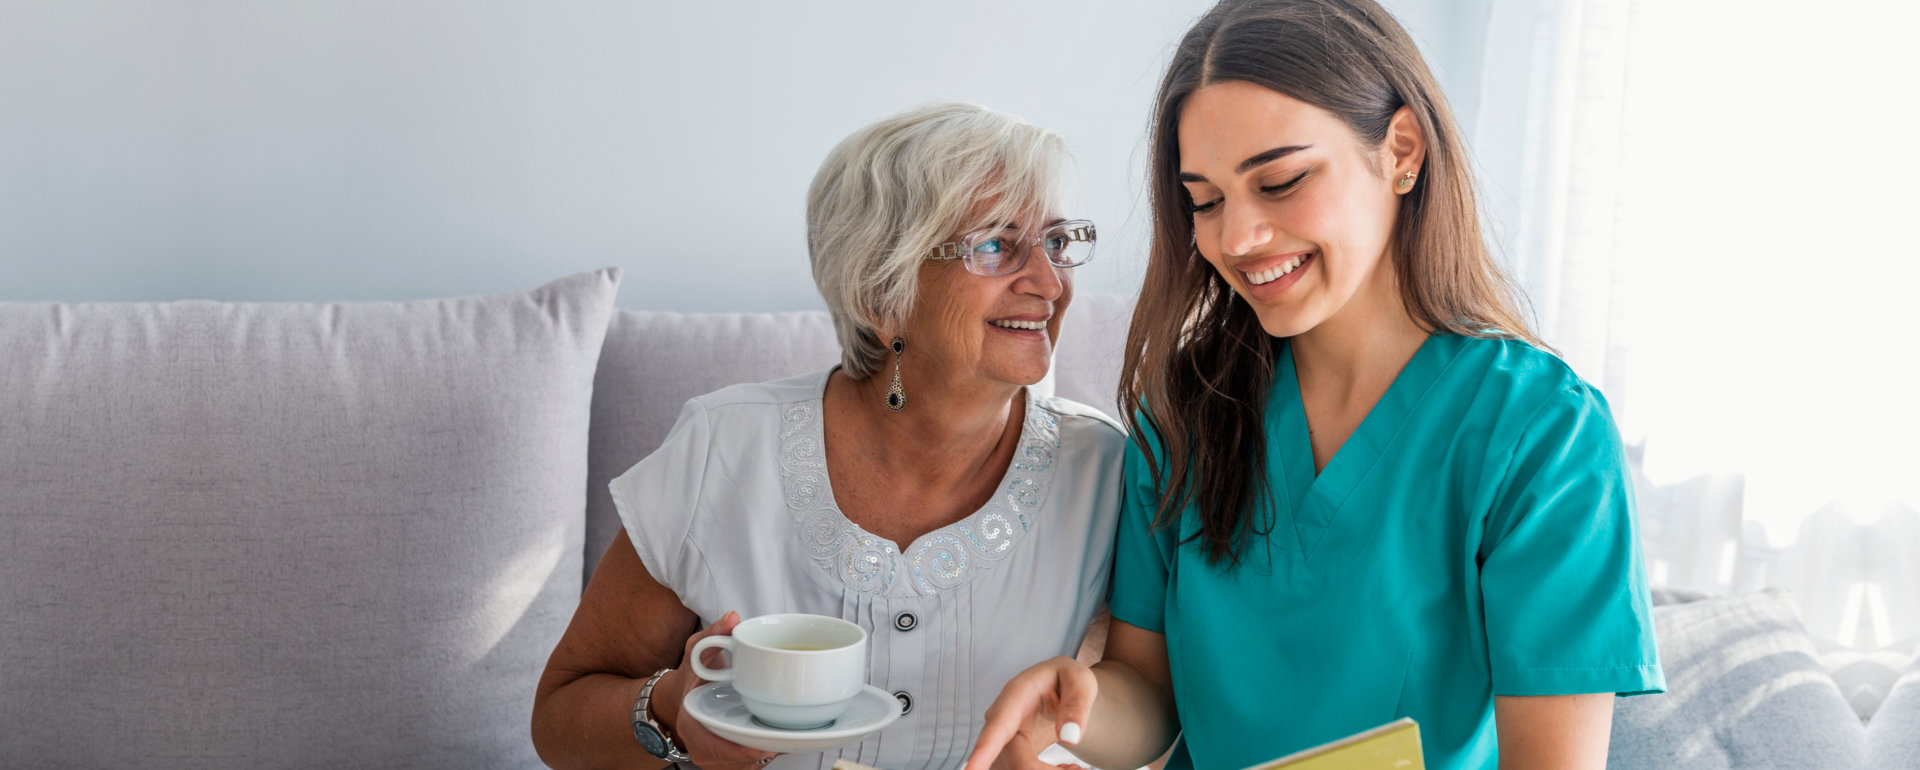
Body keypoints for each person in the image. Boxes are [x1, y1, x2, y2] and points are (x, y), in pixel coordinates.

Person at [967, 2, 1664, 769]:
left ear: (1402, 149)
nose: (1236, 239)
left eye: (1281, 181)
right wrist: (1073, 712)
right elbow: (1149, 694)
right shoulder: (1186, 408)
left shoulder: (1542, 434)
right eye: (1205, 200)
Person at [530, 102, 1126, 770]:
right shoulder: (723, 449)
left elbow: (1149, 705)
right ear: (882, 294)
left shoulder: (1106, 471)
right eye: (995, 245)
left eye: (1056, 242)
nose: (1049, 283)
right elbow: (559, 714)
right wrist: (674, 711)